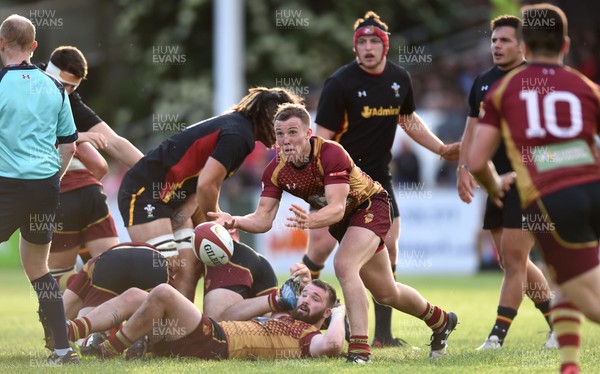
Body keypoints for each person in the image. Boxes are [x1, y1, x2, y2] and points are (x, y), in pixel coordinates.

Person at [210, 103, 458, 363]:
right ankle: (441, 321)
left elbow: (338, 208)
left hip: (370, 205)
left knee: (344, 264)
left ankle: (360, 352)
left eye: (292, 132)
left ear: (308, 134)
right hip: (345, 222)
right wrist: (234, 220)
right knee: (386, 292)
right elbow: (262, 219)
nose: (285, 140)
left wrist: (311, 219)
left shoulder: (330, 152)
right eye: (280, 134)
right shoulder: (275, 170)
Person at [302, 11, 459, 348]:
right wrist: (320, 188)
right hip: (341, 182)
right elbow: (321, 140)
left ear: (385, 47)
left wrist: (442, 149)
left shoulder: (399, 79)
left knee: (388, 247)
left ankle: (383, 335)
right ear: (355, 47)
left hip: (379, 183)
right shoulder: (340, 83)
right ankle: (302, 318)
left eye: (375, 41)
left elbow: (409, 120)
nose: (368, 47)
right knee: (320, 247)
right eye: (362, 42)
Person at [469, 4, 600, 373]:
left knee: (587, 300)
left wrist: (494, 184)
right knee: (558, 280)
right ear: (566, 43)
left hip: (555, 198)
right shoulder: (586, 86)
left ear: (525, 43)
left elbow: (478, 161)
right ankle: (569, 365)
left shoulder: (503, 90)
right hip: (594, 185)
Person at [118, 87, 303, 301]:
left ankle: (179, 331)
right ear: (267, 119)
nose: (283, 137)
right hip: (143, 193)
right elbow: (206, 185)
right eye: (281, 128)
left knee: (189, 268)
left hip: (173, 200)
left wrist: (212, 218)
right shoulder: (239, 135)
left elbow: (199, 182)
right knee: (166, 267)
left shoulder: (239, 130)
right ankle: (127, 323)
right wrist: (216, 223)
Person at [456, 15, 555, 350]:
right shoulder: (483, 81)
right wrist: (463, 168)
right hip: (494, 182)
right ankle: (557, 323)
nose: (497, 45)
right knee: (512, 261)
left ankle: (496, 337)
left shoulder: (537, 80)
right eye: (494, 40)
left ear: (522, 45)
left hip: (528, 184)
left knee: (514, 260)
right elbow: (471, 129)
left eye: (505, 41)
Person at [0, 14, 78, 364]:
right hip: (45, 186)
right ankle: (63, 350)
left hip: (8, 185)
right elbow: (69, 145)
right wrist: (52, 182)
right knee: (39, 268)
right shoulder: (55, 87)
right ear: (34, 47)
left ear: (1, 44)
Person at [67, 270, 341, 361]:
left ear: (327, 312)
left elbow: (333, 344)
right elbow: (232, 314)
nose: (305, 300)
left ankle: (109, 350)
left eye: (315, 299)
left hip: (216, 342)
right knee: (139, 295)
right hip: (209, 333)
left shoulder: (310, 336)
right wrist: (279, 300)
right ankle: (70, 331)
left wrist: (341, 312)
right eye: (305, 294)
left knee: (163, 292)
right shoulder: (284, 317)